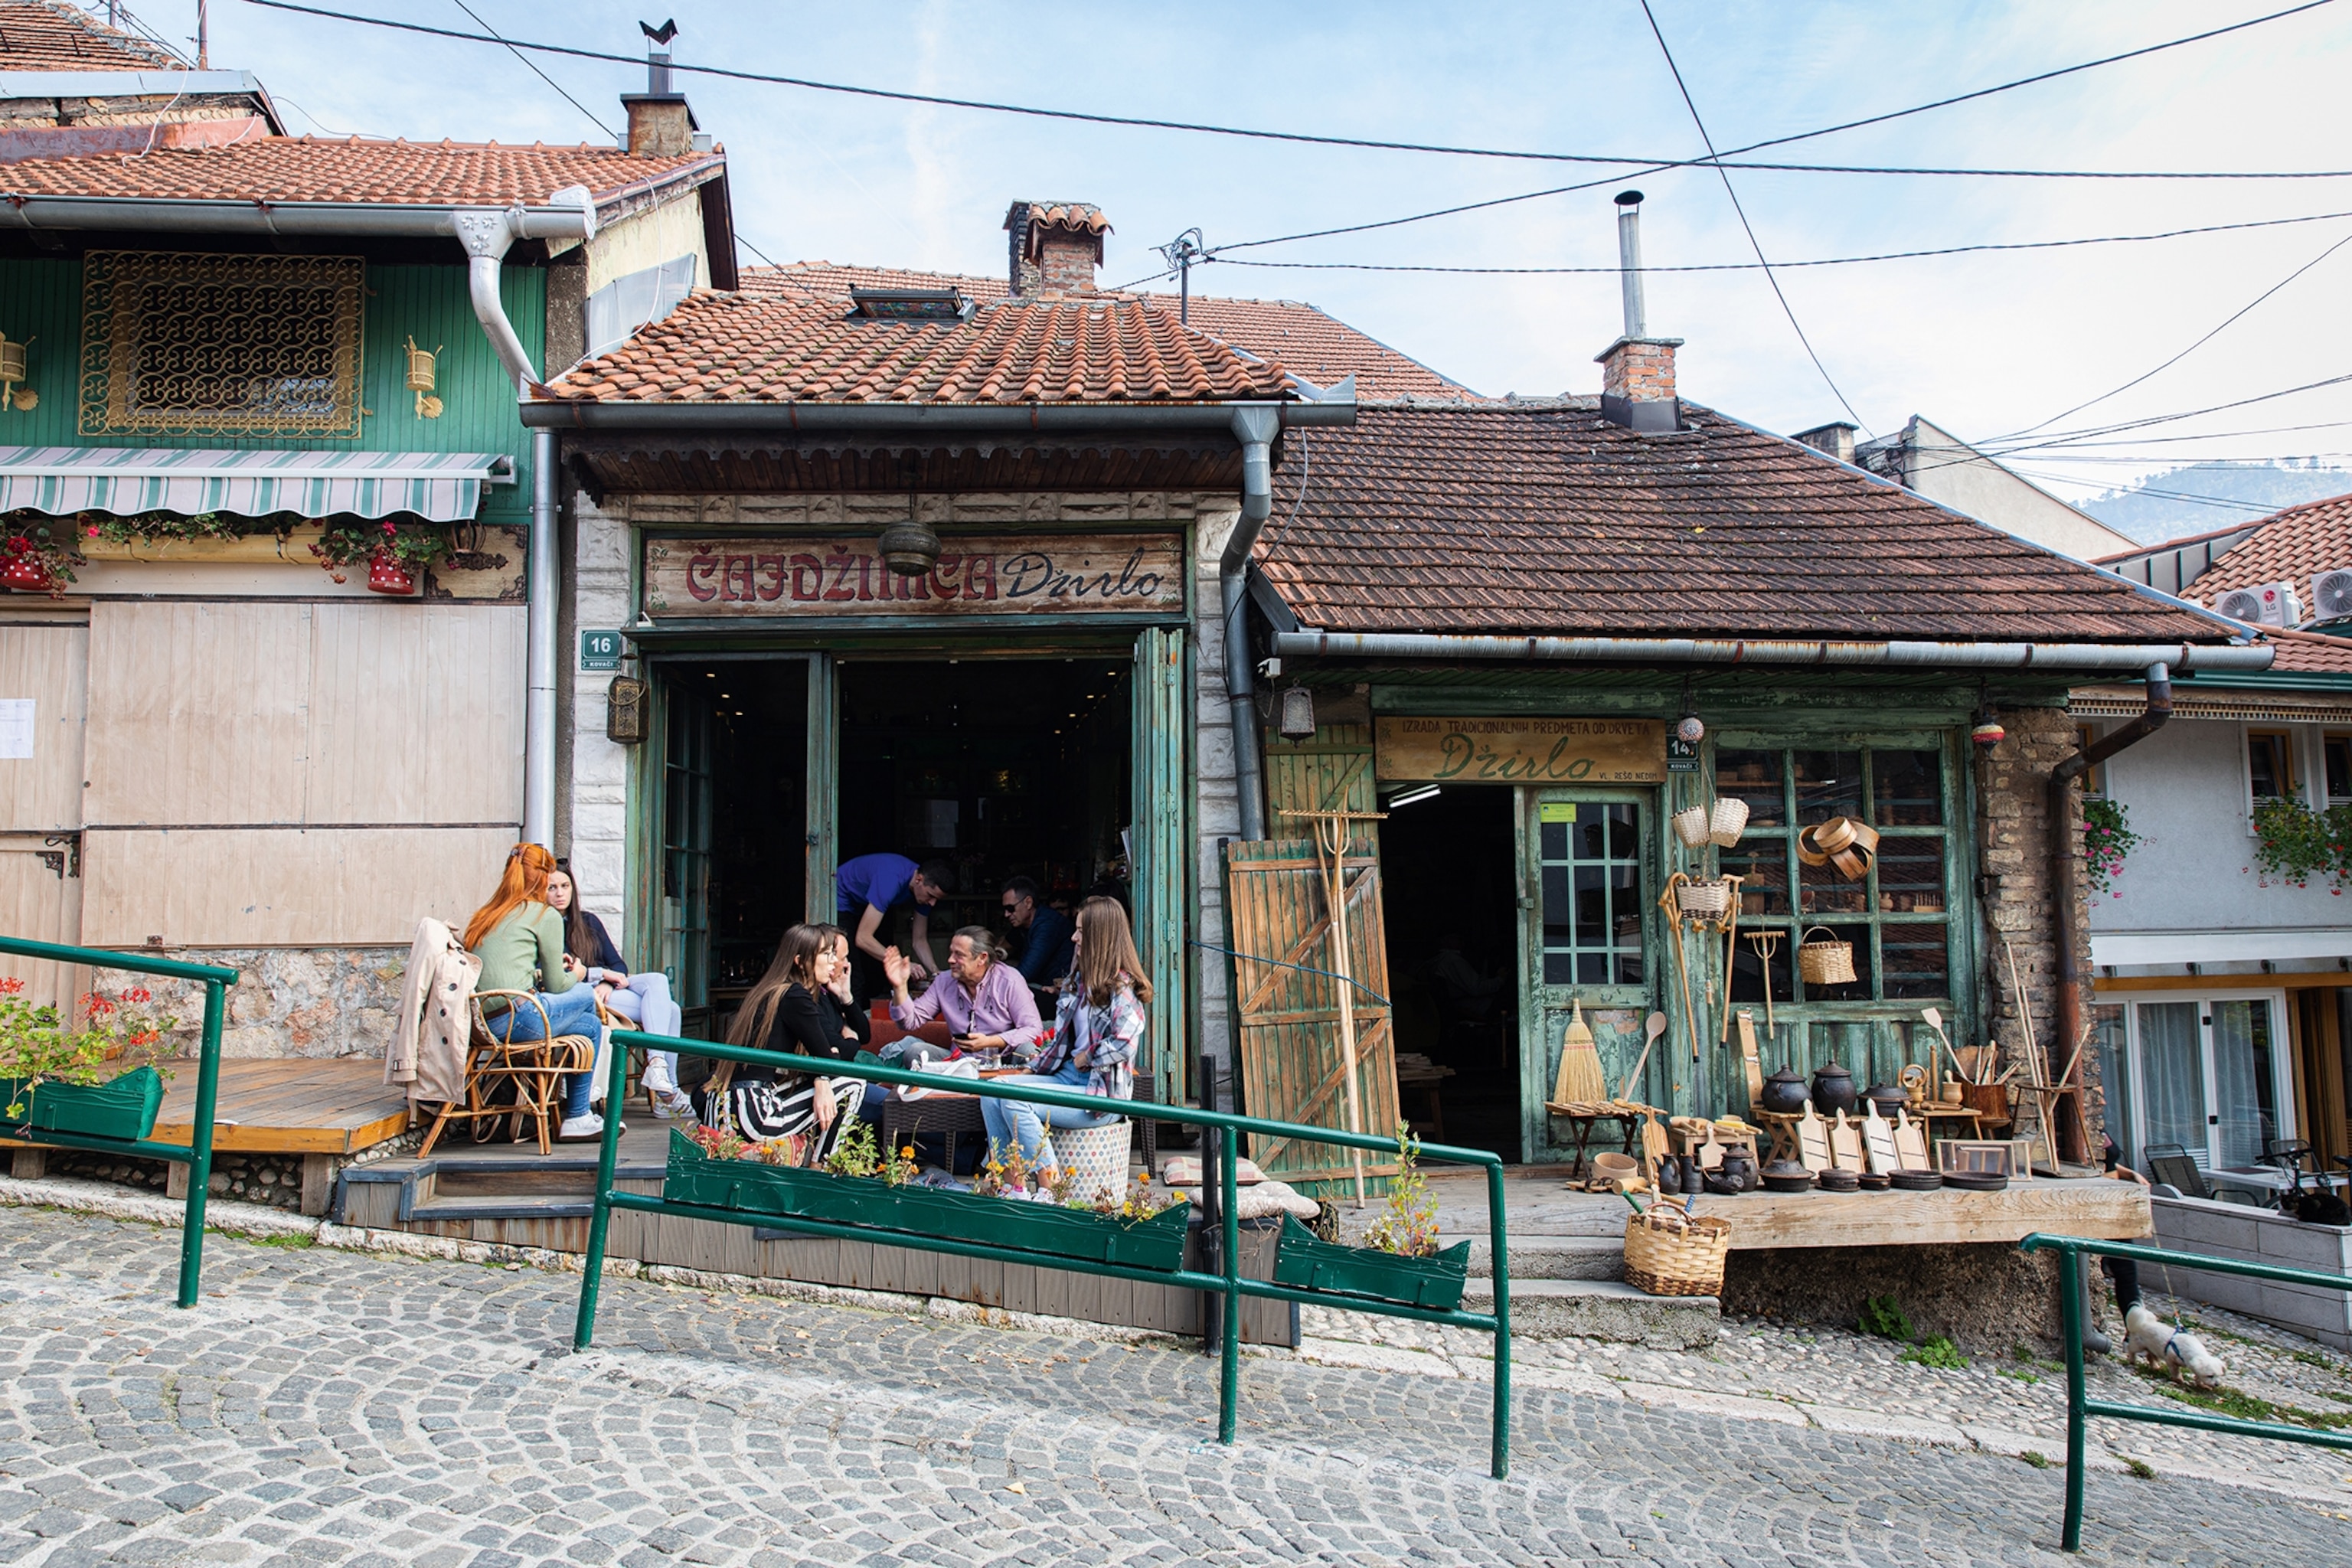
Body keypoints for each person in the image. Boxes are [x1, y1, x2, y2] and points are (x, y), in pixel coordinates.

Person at [978, 896, 1148, 1171]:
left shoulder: (1121, 988)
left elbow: (1125, 1043)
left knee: (1014, 1100)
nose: (1073, 937)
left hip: (1100, 1092)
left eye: (1080, 931)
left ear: (1099, 937)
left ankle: (1050, 1186)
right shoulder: (1079, 982)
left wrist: (1087, 1057)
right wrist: (1033, 1069)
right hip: (1067, 1077)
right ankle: (1007, 1181)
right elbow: (1059, 1042)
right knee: (990, 1089)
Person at [462, 843, 611, 1142]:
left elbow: (502, 968)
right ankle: (578, 1108)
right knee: (584, 995)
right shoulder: (544, 915)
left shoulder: (486, 914)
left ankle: (579, 1116)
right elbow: (558, 987)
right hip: (519, 1020)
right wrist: (579, 974)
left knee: (591, 1025)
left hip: (482, 1024)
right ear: (544, 878)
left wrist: (539, 972)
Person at [689, 923, 861, 1162]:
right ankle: (819, 1171)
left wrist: (822, 1071)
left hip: (721, 1110)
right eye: (826, 954)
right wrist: (823, 1075)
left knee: (821, 1081)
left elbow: (824, 1059)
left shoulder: (769, 990)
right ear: (800, 962)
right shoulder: (795, 995)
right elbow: (829, 1060)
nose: (834, 962)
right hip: (751, 1115)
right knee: (854, 1083)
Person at [547, 867, 690, 1120]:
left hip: (606, 989)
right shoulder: (545, 927)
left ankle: (658, 1066)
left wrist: (608, 982)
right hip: (579, 992)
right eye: (552, 887)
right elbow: (555, 973)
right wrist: (600, 976)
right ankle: (668, 1095)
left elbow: (619, 966)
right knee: (670, 1010)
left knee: (659, 985)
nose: (560, 893)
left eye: (565, 886)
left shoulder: (588, 921)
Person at [885, 926, 1041, 1055]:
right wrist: (900, 987)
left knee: (1028, 1050)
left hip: (1003, 1061)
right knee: (916, 1051)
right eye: (951, 953)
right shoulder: (944, 981)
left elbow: (1033, 1029)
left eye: (959, 955)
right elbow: (909, 1022)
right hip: (960, 1063)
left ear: (982, 958)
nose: (950, 960)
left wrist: (991, 1042)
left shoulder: (1010, 980)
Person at [835, 853, 952, 1007]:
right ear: (919, 880)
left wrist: (935, 972)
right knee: (854, 976)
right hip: (841, 898)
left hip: (863, 901)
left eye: (937, 899)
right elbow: (863, 939)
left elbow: (919, 940)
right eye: (930, 896)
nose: (932, 904)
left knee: (876, 972)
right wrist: (903, 964)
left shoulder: (922, 891)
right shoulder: (890, 879)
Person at [1000, 876, 1073, 1001]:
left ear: (1028, 902)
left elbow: (1025, 973)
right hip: (1042, 986)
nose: (1006, 914)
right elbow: (1003, 947)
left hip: (1058, 994)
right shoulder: (1023, 924)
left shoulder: (1047, 925)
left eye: (1010, 909)